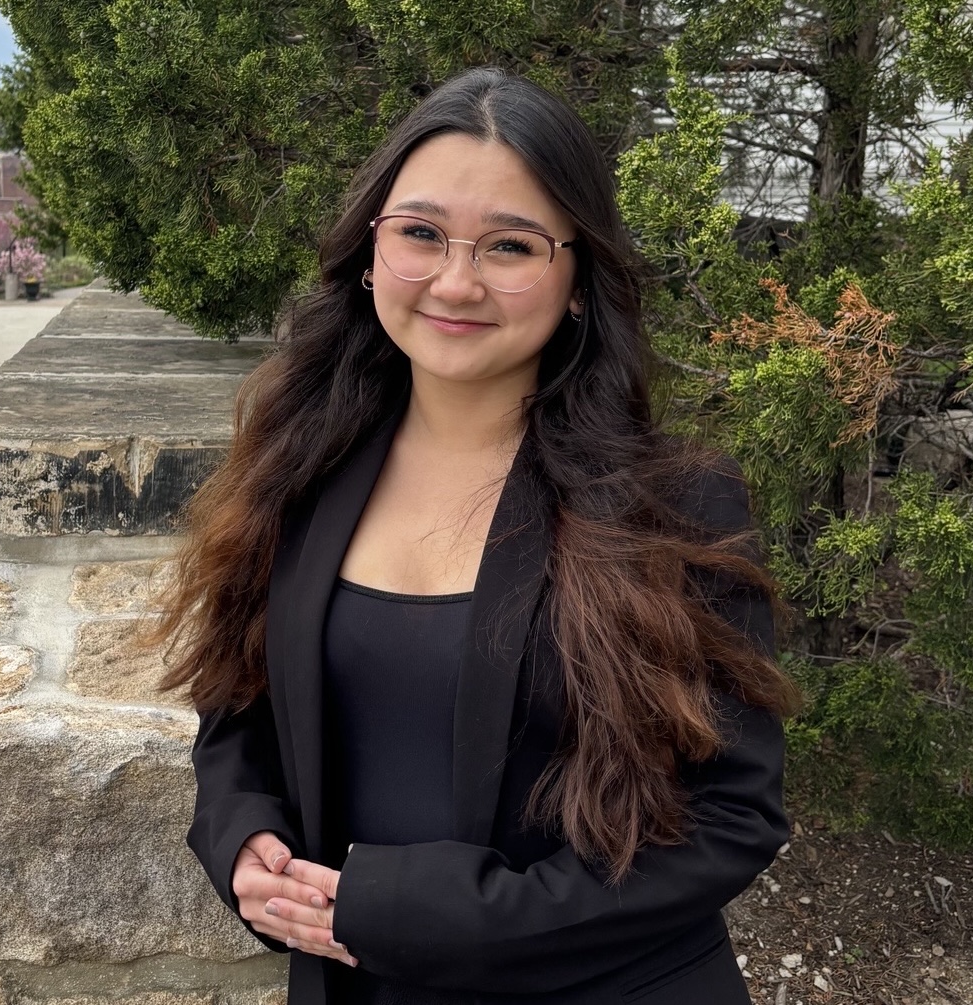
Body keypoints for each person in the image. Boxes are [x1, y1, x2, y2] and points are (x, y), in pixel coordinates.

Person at [149, 66, 803, 1005]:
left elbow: (731, 817)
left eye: (510, 246)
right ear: (369, 250)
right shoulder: (295, 468)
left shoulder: (676, 504)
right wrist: (239, 833)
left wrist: (433, 913)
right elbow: (238, 706)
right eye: (419, 233)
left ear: (576, 280)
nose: (455, 281)